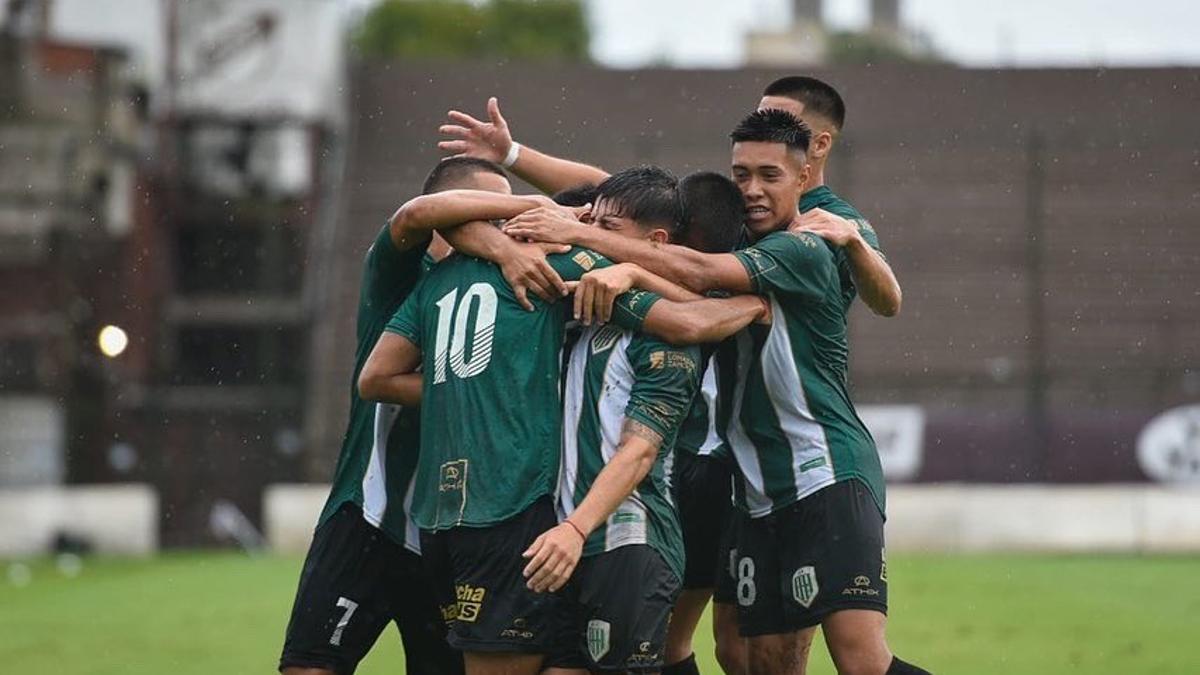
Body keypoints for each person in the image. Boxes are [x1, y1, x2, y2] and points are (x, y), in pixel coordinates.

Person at [503, 110, 930, 675]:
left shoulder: (802, 247)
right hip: (755, 490)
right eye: (741, 174)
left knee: (861, 662)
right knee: (752, 660)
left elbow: (697, 276)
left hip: (825, 472)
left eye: (769, 176)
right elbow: (673, 261)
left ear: (805, 177)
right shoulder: (733, 240)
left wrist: (586, 239)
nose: (752, 189)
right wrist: (514, 160)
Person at [356, 181, 769, 675]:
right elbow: (688, 317)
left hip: (614, 538)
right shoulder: (571, 298)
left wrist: (748, 307)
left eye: (604, 229)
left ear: (655, 242)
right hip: (552, 536)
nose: (586, 235)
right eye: (587, 223)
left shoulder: (640, 325)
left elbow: (680, 344)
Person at [278, 156, 572, 675]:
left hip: (453, 528)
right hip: (369, 511)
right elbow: (415, 214)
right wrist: (530, 208)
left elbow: (611, 198)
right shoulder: (402, 272)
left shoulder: (513, 281)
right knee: (309, 666)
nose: (502, 226)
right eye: (487, 211)